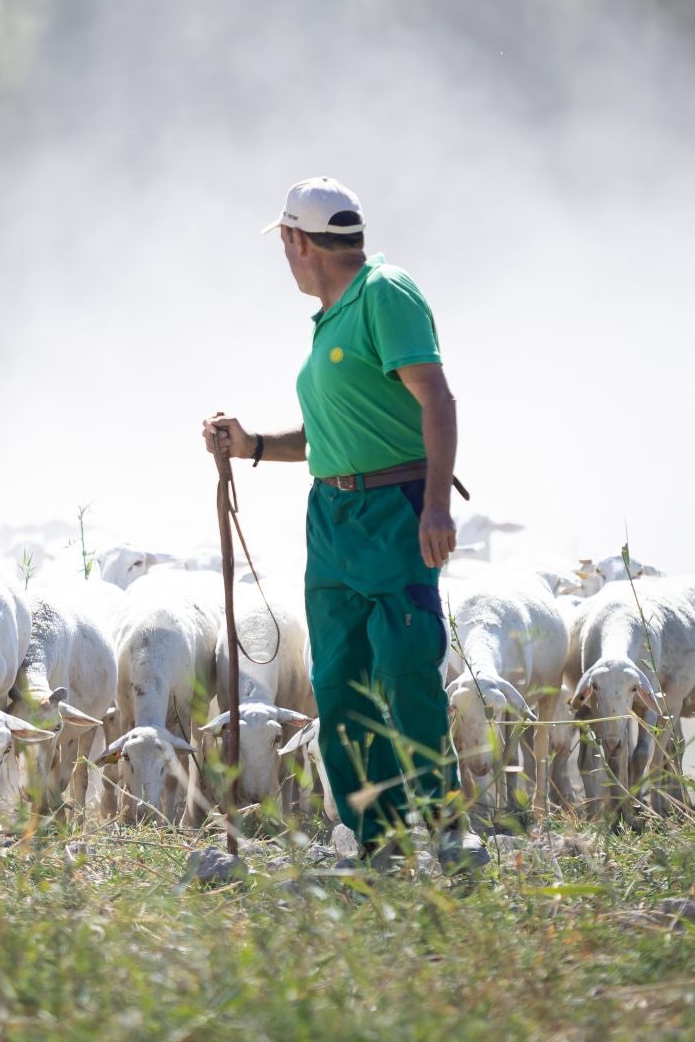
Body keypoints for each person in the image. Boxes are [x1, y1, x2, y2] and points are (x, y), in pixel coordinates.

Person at [201, 175, 486, 871]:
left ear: (300, 243)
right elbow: (331, 435)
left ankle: (448, 830)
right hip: (332, 516)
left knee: (405, 664)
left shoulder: (384, 294)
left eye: (285, 245)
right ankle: (377, 840)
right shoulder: (332, 319)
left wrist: (436, 505)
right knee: (339, 681)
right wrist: (253, 446)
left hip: (394, 510)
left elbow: (436, 400)